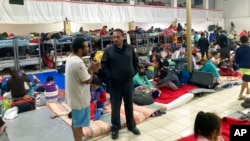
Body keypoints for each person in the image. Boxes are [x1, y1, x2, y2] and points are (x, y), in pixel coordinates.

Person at [101, 28, 140, 140]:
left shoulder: (129, 49)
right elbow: (104, 66)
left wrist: (133, 72)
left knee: (129, 105)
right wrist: (110, 77)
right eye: (113, 37)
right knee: (115, 107)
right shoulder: (109, 51)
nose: (115, 39)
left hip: (128, 83)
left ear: (123, 37)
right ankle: (115, 128)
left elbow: (135, 62)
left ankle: (131, 125)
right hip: (115, 84)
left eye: (117, 37)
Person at [65, 38, 100, 141]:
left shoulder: (71, 58)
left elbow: (81, 75)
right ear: (80, 49)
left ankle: (77, 138)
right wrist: (92, 70)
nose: (88, 49)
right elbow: (87, 80)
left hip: (74, 96)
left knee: (76, 122)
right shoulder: (78, 63)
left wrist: (88, 69)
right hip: (79, 98)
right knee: (78, 124)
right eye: (86, 47)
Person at [234, 36, 250, 100]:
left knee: (245, 79)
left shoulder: (238, 49)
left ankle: (248, 90)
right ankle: (240, 94)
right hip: (248, 67)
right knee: (245, 80)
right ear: (247, 40)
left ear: (240, 41)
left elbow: (236, 60)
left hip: (241, 67)